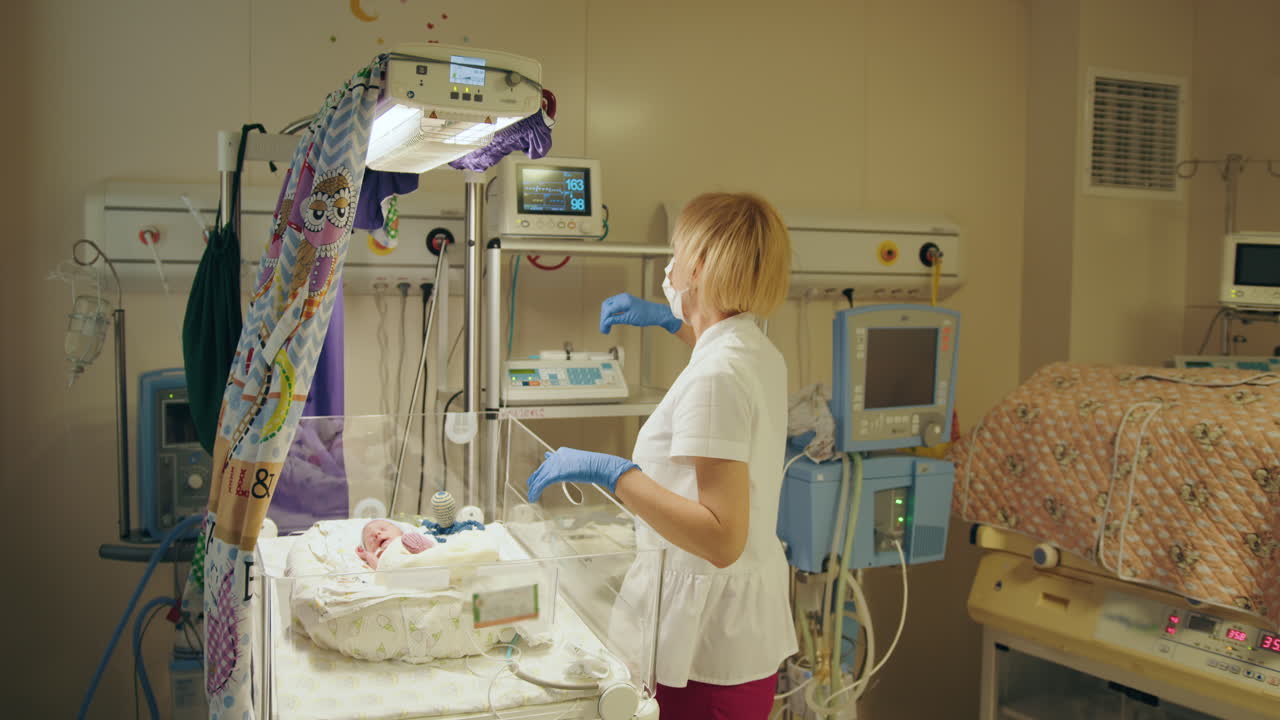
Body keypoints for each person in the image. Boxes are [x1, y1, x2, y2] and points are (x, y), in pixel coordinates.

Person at [525, 192, 795, 720]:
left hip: (704, 650)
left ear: (696, 266)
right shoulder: (755, 350)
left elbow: (721, 537)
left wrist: (613, 472)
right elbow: (718, 365)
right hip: (734, 636)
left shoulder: (717, 375)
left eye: (675, 254)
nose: (669, 268)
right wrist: (669, 322)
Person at [356, 519, 435, 569]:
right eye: (371, 539)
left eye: (383, 529)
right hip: (403, 572)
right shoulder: (381, 556)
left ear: (401, 531)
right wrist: (368, 556)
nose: (377, 533)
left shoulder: (406, 539)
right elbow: (381, 571)